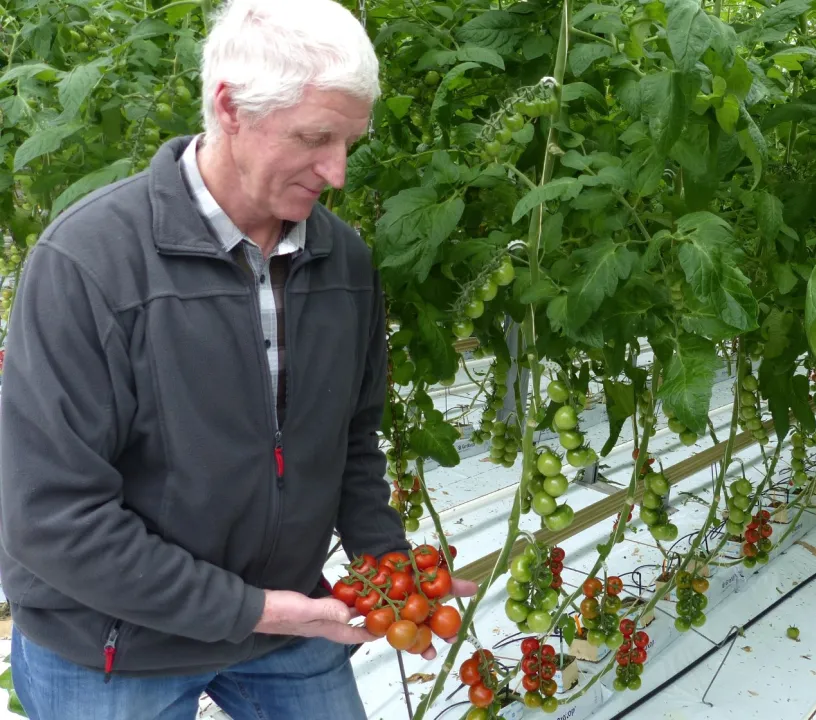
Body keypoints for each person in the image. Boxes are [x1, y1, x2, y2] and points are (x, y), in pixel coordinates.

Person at [0, 0, 475, 718]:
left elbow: (349, 441)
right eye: (315, 138)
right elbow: (52, 517)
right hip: (113, 644)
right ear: (228, 106)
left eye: (350, 141)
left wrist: (388, 565)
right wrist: (259, 609)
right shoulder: (89, 265)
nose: (338, 173)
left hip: (284, 629)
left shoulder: (341, 261)